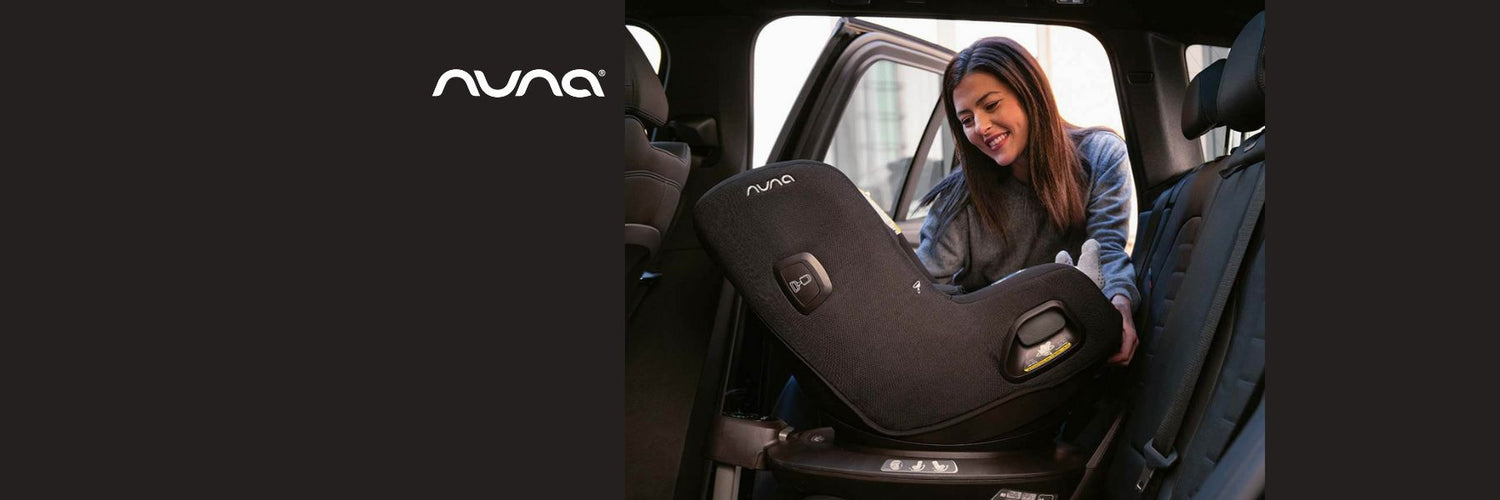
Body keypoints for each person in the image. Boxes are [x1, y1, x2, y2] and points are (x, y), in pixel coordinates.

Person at [916, 36, 1139, 366]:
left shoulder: (1101, 156)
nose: (981, 127)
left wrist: (1120, 307)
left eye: (991, 105)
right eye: (967, 120)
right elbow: (921, 286)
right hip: (990, 354)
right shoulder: (958, 197)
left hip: (1072, 346)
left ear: (1029, 93)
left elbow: (1106, 249)